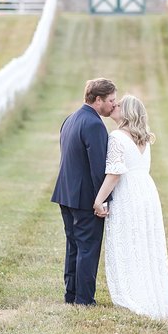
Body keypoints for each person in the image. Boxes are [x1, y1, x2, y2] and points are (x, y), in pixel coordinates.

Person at [93, 95, 168, 320]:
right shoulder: (144, 138)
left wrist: (99, 200)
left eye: (119, 105)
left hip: (128, 192)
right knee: (143, 242)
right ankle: (148, 293)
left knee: (129, 241)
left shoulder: (117, 137)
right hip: (146, 191)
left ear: (127, 112)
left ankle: (134, 295)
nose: (114, 106)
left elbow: (115, 173)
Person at [51, 78, 116, 306]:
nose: (113, 105)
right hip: (85, 197)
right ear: (98, 100)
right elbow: (99, 168)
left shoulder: (70, 119)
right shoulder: (95, 125)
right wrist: (103, 200)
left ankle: (72, 294)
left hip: (65, 193)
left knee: (74, 245)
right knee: (88, 248)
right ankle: (84, 299)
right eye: (110, 100)